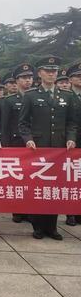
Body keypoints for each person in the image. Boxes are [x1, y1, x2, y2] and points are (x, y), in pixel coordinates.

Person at [19, 56, 77, 240]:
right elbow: (23, 123)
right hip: (38, 149)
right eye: (47, 70)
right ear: (40, 73)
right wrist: (28, 139)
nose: (51, 74)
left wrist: (71, 138)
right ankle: (38, 226)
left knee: (56, 188)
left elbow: (72, 123)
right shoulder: (31, 96)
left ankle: (52, 227)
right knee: (38, 187)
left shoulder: (67, 96)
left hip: (60, 149)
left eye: (54, 71)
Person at [0, 63, 34, 223]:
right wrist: (5, 147)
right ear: (17, 80)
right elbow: (5, 126)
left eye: (30, 78)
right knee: (17, 178)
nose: (27, 81)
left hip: (35, 143)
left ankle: (31, 209)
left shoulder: (37, 97)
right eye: (24, 78)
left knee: (34, 177)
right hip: (16, 143)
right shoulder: (9, 101)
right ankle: (18, 210)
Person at [65, 62, 81, 226]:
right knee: (70, 178)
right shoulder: (66, 96)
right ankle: (70, 212)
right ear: (70, 79)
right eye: (78, 76)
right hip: (70, 142)